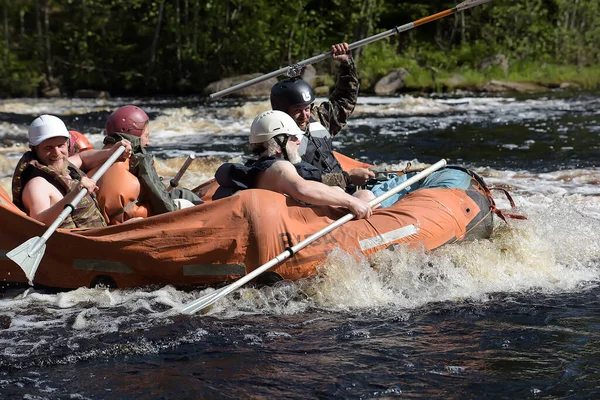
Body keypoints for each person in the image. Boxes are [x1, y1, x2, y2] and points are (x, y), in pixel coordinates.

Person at [215, 110, 373, 219]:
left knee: (339, 190)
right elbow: (302, 189)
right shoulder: (278, 168)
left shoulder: (258, 166)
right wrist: (351, 201)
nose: (298, 141)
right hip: (300, 227)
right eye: (292, 137)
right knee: (365, 196)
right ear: (276, 145)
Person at [270, 42, 375, 191]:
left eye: (307, 108)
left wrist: (346, 63)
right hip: (318, 197)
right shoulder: (277, 143)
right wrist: (347, 178)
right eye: (297, 110)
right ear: (281, 111)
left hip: (343, 187)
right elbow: (298, 181)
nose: (304, 115)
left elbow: (344, 100)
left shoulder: (316, 117)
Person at [11, 114, 133, 228]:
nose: (57, 153)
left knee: (137, 222)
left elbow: (82, 158)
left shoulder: (65, 165)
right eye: (48, 148)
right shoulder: (37, 185)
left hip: (97, 235)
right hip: (77, 244)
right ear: (34, 149)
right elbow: (39, 222)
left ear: (68, 144)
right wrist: (74, 194)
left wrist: (111, 152)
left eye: (61, 146)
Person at [94, 105, 202, 224]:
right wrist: (174, 214)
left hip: (106, 219)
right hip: (131, 217)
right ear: (134, 134)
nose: (148, 142)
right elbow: (160, 199)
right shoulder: (139, 158)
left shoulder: (98, 156)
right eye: (146, 136)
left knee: (181, 193)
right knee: (185, 202)